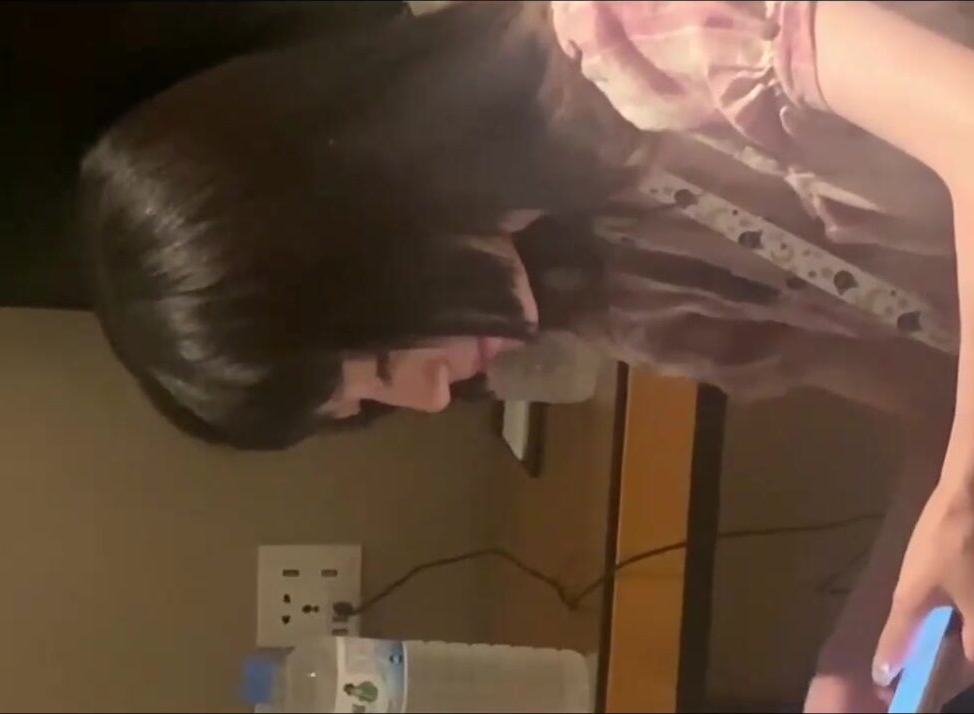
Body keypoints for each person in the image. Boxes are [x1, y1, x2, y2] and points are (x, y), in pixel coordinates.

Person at [76, 1, 974, 710]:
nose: (432, 398)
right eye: (375, 402)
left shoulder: (629, 38)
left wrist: (962, 497)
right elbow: (934, 399)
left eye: (384, 361)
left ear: (361, 216)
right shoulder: (621, 299)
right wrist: (862, 670)